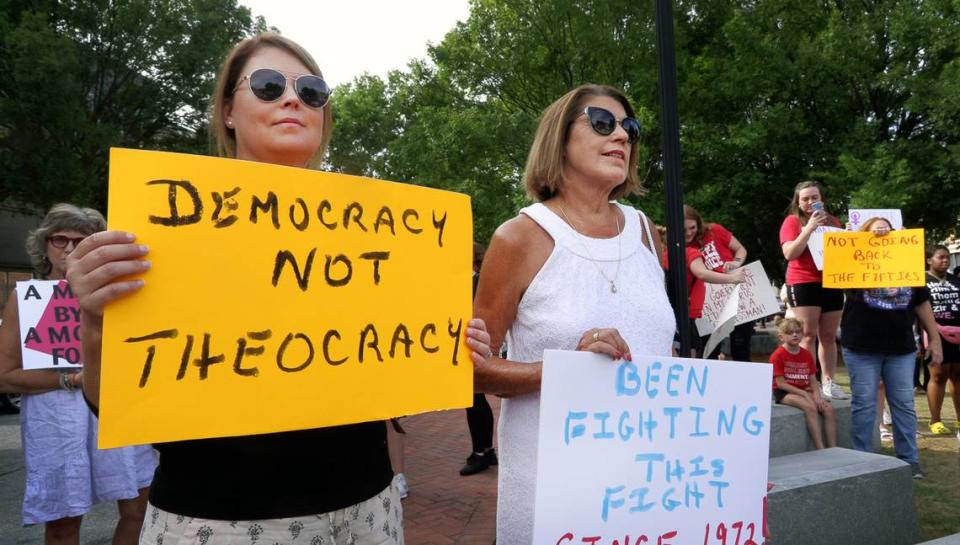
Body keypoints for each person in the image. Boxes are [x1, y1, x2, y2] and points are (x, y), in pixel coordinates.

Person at [65, 33, 493, 545]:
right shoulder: (164, 224)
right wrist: (95, 319)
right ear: (227, 110)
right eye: (269, 86)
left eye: (312, 91)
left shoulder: (375, 233)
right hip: (218, 517)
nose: (293, 99)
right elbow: (113, 401)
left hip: (367, 505)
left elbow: (385, 359)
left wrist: (454, 346)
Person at [473, 84, 676, 543]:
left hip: (646, 478)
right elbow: (471, 369)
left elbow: (660, 348)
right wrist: (564, 370)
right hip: (554, 482)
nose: (622, 136)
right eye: (603, 123)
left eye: (631, 128)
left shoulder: (645, 230)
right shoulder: (518, 238)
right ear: (559, 139)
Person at [0, 203, 155, 545]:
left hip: (114, 412)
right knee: (62, 522)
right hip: (53, 420)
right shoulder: (25, 299)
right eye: (60, 239)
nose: (70, 248)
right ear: (45, 244)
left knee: (139, 511)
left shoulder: (123, 297)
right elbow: (5, 375)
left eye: (82, 239)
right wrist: (69, 380)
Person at [841, 217, 942, 478]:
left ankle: (909, 461)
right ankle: (863, 461)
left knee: (904, 405)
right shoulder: (852, 261)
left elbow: (922, 304)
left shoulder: (909, 266)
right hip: (861, 346)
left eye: (887, 231)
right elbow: (837, 272)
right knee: (864, 405)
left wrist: (936, 338)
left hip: (901, 348)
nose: (882, 235)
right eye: (876, 232)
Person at [780, 181, 849, 399]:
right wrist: (809, 228)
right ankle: (809, 382)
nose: (811, 202)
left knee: (828, 336)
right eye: (805, 199)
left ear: (822, 199)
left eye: (814, 198)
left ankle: (828, 381)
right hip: (803, 281)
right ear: (798, 203)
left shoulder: (833, 221)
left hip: (831, 281)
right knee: (807, 335)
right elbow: (790, 253)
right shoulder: (792, 222)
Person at [684, 204, 750, 359]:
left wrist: (736, 263)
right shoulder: (681, 246)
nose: (688, 233)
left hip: (735, 293)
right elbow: (700, 274)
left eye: (692, 228)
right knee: (710, 350)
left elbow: (740, 249)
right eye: (683, 230)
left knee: (741, 345)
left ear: (698, 222)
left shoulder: (715, 230)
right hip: (707, 302)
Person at [769, 318, 837, 449]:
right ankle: (820, 447)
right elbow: (781, 383)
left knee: (828, 409)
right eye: (790, 332)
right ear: (781, 337)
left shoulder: (806, 354)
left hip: (804, 390)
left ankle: (833, 447)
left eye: (798, 331)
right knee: (810, 407)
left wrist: (817, 395)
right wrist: (803, 394)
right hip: (785, 392)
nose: (795, 335)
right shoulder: (777, 355)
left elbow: (812, 379)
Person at [461, 242, 497, 476]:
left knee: (474, 400)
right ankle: (486, 450)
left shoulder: (474, 281)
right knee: (476, 400)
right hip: (473, 343)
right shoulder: (475, 280)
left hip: (471, 345)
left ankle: (480, 453)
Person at [924, 244, 960, 438]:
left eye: (947, 257)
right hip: (934, 333)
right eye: (941, 257)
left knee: (958, 376)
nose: (945, 260)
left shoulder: (956, 280)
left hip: (958, 332)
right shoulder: (921, 281)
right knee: (938, 376)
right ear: (929, 259)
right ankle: (935, 420)